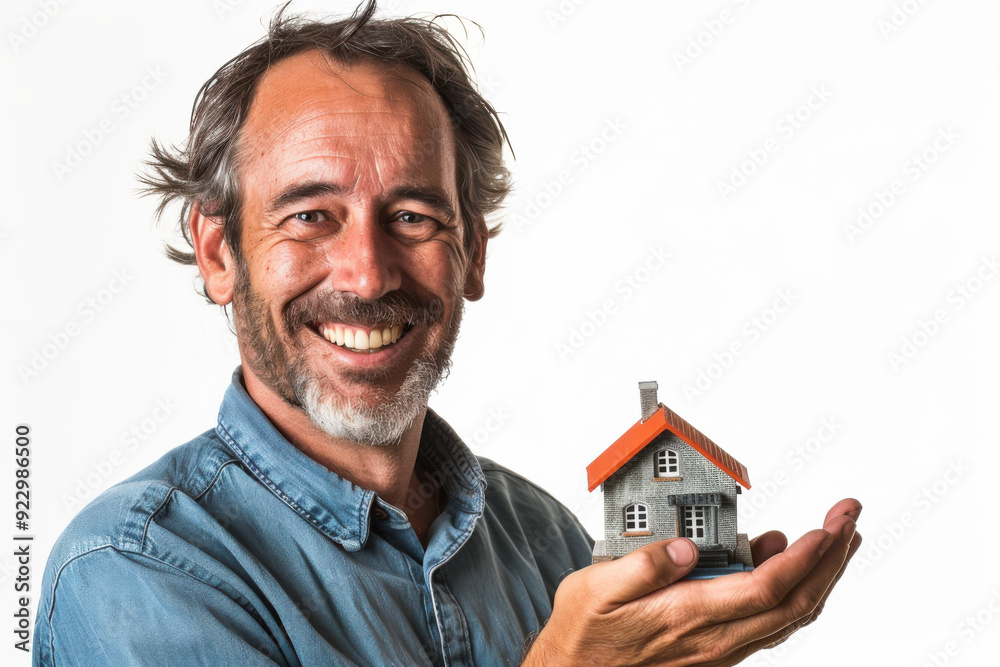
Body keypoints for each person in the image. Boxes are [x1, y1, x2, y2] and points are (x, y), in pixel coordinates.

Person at [33, 2, 862, 665]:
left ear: (472, 254)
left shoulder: (543, 536)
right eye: (311, 215)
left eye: (412, 215)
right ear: (219, 253)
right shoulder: (133, 570)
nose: (366, 272)